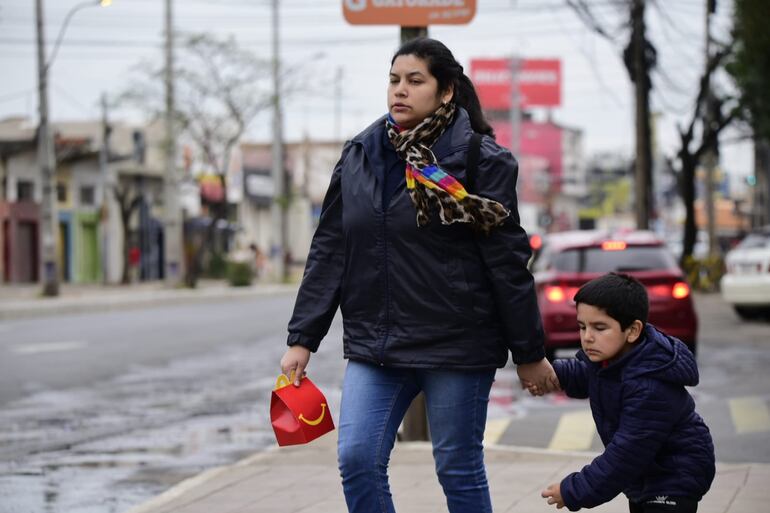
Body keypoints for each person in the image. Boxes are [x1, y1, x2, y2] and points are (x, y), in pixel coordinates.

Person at [280, 37, 558, 513]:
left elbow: (507, 263)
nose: (399, 91)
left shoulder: (481, 161)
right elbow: (330, 250)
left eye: (414, 80)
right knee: (357, 459)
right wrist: (302, 337)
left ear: (446, 90)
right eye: (393, 80)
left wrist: (528, 353)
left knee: (457, 467)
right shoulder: (360, 156)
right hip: (378, 344)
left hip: (457, 344)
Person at [532, 273, 715, 513]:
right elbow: (583, 373)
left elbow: (624, 455)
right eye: (582, 326)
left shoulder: (650, 386)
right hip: (644, 474)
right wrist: (552, 376)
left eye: (599, 327)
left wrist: (573, 490)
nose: (587, 337)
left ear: (632, 331)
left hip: (674, 475)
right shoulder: (611, 361)